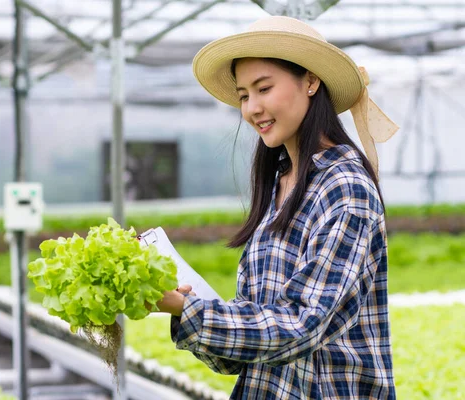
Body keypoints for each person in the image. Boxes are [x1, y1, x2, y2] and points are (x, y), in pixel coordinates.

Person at [155, 16, 399, 399]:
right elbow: (246, 353)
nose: (253, 108)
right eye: (243, 95)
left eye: (263, 88)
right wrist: (183, 305)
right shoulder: (279, 184)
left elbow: (303, 326)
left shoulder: (345, 188)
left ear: (311, 81)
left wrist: (190, 311)